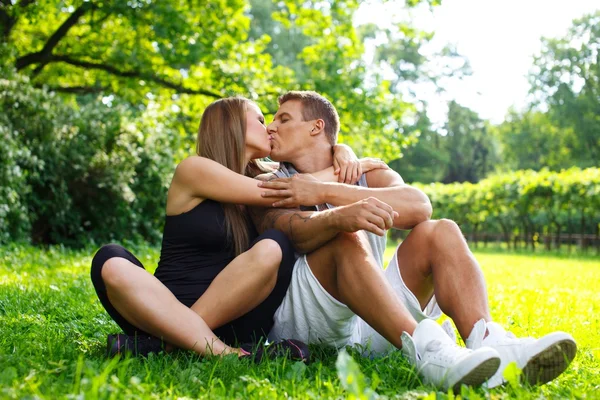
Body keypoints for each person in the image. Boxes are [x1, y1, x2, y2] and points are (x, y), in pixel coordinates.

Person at [248, 90, 577, 391]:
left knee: (440, 229)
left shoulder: (365, 170)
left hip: (372, 319)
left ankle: (490, 341)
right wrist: (337, 216)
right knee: (343, 234)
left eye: (283, 118)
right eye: (271, 120)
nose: (272, 127)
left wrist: (325, 191)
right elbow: (293, 232)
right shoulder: (269, 182)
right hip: (308, 320)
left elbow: (419, 206)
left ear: (316, 127)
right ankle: (430, 351)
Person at [90, 96, 387, 359]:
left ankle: (167, 344)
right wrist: (343, 167)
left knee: (274, 245)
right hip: (160, 310)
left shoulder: (268, 173)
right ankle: (222, 351)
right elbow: (279, 191)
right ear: (233, 127)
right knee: (111, 260)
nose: (270, 127)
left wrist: (342, 150)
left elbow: (300, 170)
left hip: (240, 318)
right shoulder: (195, 169)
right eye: (260, 120)